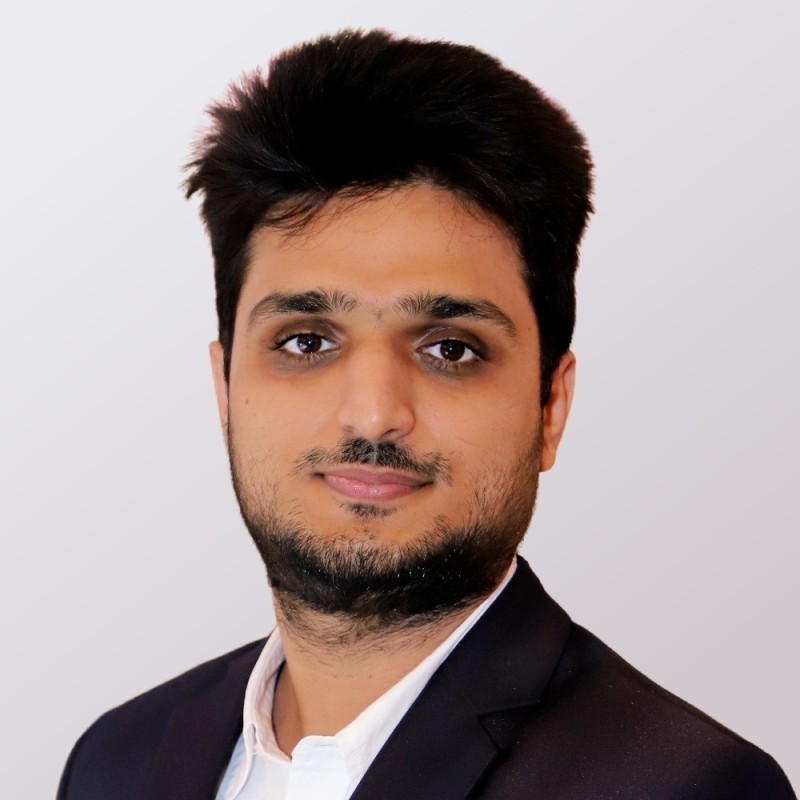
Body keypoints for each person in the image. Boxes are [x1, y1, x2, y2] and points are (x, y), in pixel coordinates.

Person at [57, 28, 796, 800]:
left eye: (450, 349)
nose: (373, 416)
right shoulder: (119, 761)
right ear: (225, 388)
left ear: (550, 406)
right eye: (306, 341)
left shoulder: (686, 788)